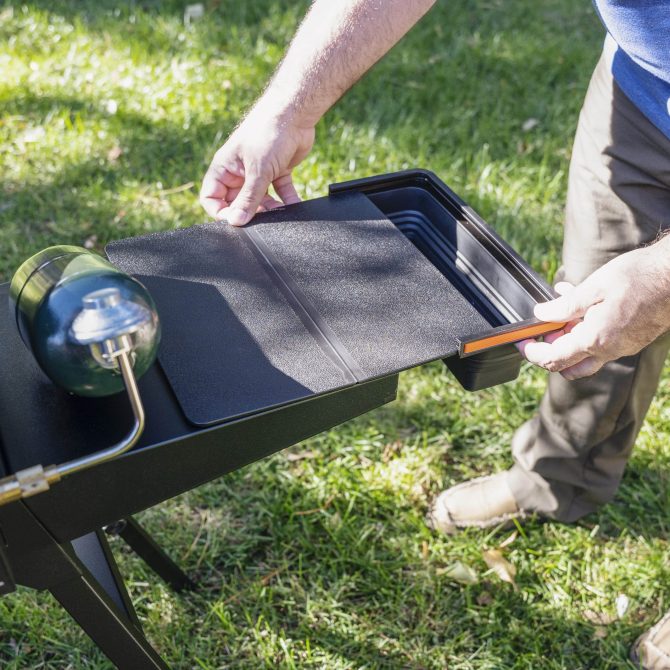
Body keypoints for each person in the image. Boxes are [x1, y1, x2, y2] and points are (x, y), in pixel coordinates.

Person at [199, 2, 670, 666]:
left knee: (639, 293)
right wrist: (288, 108)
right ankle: (559, 477)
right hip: (647, 90)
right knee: (590, 309)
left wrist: (662, 277)